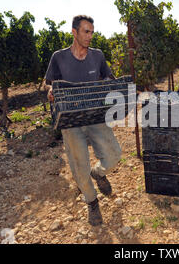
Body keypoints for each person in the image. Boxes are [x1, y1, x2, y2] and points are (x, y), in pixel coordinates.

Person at [43, 15, 122, 226]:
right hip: (70, 120)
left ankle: (99, 173)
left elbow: (108, 77)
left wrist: (111, 85)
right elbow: (48, 83)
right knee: (79, 165)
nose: (90, 36)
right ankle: (92, 201)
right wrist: (50, 90)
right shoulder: (59, 57)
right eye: (86, 31)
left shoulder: (97, 56)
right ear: (74, 32)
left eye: (92, 32)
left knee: (114, 155)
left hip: (95, 115)